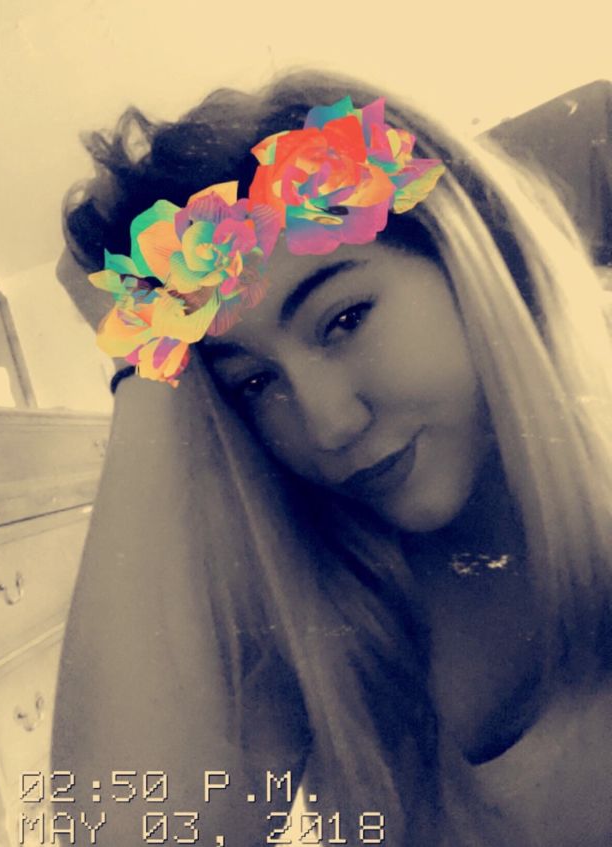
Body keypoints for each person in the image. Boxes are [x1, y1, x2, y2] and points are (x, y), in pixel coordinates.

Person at [52, 71, 612, 847]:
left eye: (343, 318)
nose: (328, 425)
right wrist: (146, 362)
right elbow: (125, 833)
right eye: (253, 383)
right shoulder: (319, 622)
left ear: (468, 256)